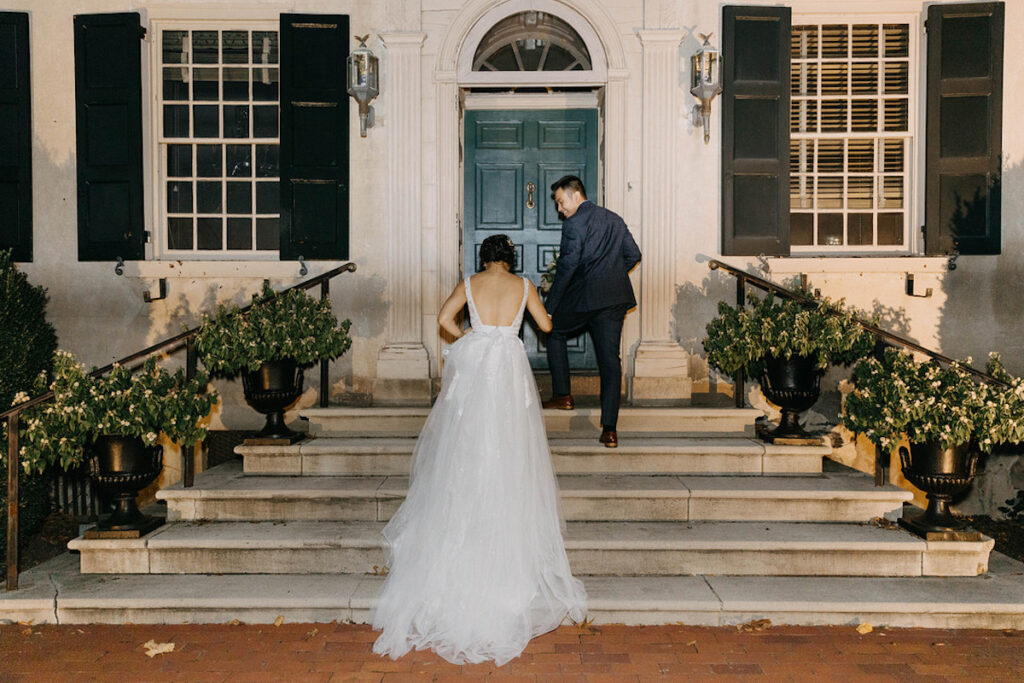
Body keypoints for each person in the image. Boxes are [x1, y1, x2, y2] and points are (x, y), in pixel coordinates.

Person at [371, 234, 587, 666]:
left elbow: (445, 321)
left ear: (484, 259)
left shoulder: (469, 284)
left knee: (468, 446)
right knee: (510, 447)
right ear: (509, 260)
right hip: (508, 368)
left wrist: (471, 334)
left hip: (479, 369)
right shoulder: (522, 285)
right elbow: (545, 327)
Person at [543, 175, 641, 448]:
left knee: (552, 331)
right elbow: (634, 255)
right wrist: (609, 275)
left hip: (585, 299)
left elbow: (567, 266)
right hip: (613, 299)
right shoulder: (614, 218)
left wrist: (549, 308)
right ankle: (610, 430)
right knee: (610, 361)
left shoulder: (574, 223)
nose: (560, 210)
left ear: (576, 196)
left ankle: (563, 395)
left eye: (561, 203)